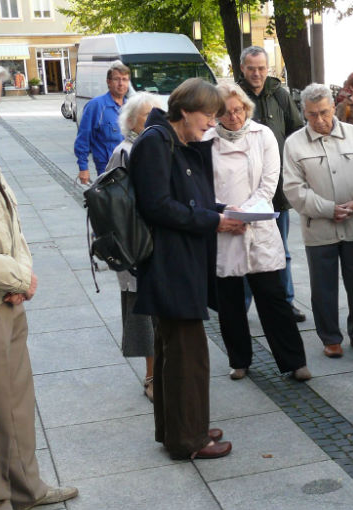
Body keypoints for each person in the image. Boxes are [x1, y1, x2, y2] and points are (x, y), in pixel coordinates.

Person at [0, 61, 78, 510]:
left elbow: (8, 220)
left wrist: (22, 274)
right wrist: (19, 273)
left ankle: (26, 486)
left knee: (18, 399)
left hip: (6, 296)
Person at [131, 78, 243, 461]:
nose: (212, 123)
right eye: (208, 115)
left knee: (176, 353)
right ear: (184, 110)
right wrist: (212, 221)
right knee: (186, 356)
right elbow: (157, 205)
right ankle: (187, 440)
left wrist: (216, 211)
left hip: (180, 263)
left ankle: (181, 427)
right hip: (168, 266)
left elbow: (185, 196)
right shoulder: (156, 141)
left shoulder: (173, 140)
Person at [206, 82, 311, 382]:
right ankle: (239, 360)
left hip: (259, 223)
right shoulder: (207, 140)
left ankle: (293, 360)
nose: (234, 117)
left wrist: (246, 212)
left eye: (238, 110)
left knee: (272, 297)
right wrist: (225, 213)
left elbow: (269, 182)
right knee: (230, 302)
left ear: (246, 108)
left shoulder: (262, 135)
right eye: (226, 112)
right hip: (224, 227)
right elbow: (203, 187)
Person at [284, 84, 353, 359]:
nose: (320, 120)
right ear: (304, 114)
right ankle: (330, 337)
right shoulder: (294, 144)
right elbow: (293, 188)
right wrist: (326, 208)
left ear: (334, 108)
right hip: (319, 226)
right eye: (312, 115)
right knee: (322, 286)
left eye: (324, 112)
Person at [237, 46, 306, 323]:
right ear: (242, 69)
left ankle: (285, 303)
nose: (256, 73)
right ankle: (240, 306)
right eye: (251, 68)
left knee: (281, 249)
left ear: (268, 69)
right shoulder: (234, 97)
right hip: (243, 189)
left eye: (261, 68)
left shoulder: (280, 94)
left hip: (276, 189)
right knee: (241, 248)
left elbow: (296, 131)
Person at [104, 92, 164, 402]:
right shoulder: (125, 152)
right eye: (147, 117)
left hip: (159, 248)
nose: (155, 121)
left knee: (161, 316)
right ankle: (152, 377)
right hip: (136, 249)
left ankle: (165, 374)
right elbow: (115, 205)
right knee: (144, 317)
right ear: (130, 123)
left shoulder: (158, 147)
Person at [74, 61, 130, 185]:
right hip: (108, 170)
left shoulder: (131, 107)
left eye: (125, 79)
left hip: (131, 167)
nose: (121, 84)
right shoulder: (96, 106)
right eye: (117, 79)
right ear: (108, 82)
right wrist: (83, 167)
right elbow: (83, 138)